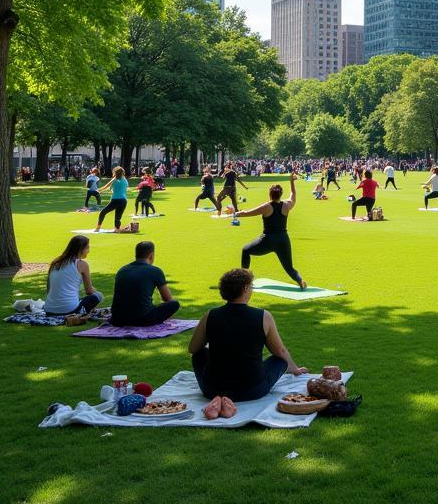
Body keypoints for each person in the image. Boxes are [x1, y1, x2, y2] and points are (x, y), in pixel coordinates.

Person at [189, 268, 308, 415]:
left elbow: (193, 349)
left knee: (199, 354)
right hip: (252, 389)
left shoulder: (210, 315)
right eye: (251, 286)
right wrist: (294, 369)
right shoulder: (264, 316)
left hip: (213, 390)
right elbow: (280, 351)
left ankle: (221, 400)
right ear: (245, 289)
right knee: (280, 360)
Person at [234, 172, 307, 287]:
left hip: (268, 240)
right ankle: (300, 280)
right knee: (289, 267)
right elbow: (293, 194)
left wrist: (235, 213)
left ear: (270, 194)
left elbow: (247, 213)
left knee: (246, 250)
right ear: (281, 194)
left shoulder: (267, 206)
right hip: (283, 240)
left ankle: (245, 281)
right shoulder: (287, 205)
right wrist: (292, 181)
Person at [109, 240, 180, 326]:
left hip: (117, 319)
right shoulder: (155, 271)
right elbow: (167, 298)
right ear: (151, 255)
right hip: (142, 319)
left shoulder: (122, 270)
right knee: (174, 304)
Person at [44, 236, 103, 316]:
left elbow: (49, 289)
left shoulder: (56, 262)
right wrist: (95, 290)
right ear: (81, 249)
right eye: (87, 248)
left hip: (49, 309)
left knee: (76, 299)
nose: (88, 251)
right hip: (69, 311)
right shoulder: (82, 264)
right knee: (98, 295)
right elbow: (89, 291)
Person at [95, 166, 130, 231]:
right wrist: (112, 190)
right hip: (124, 200)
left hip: (115, 200)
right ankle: (117, 229)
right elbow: (121, 189)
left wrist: (98, 190)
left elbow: (106, 186)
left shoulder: (115, 179)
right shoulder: (125, 180)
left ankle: (98, 228)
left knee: (102, 213)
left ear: (115, 173)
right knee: (117, 217)